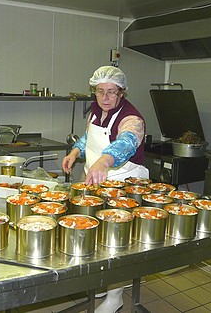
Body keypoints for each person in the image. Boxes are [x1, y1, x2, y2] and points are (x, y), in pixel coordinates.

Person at [62, 65, 149, 313]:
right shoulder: (97, 110)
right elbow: (89, 135)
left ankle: (115, 296)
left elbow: (126, 143)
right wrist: (76, 151)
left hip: (125, 182)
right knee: (98, 235)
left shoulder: (132, 118)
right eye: (100, 92)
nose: (105, 98)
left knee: (117, 239)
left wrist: (103, 160)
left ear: (122, 92)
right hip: (98, 180)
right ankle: (102, 282)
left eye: (111, 92)